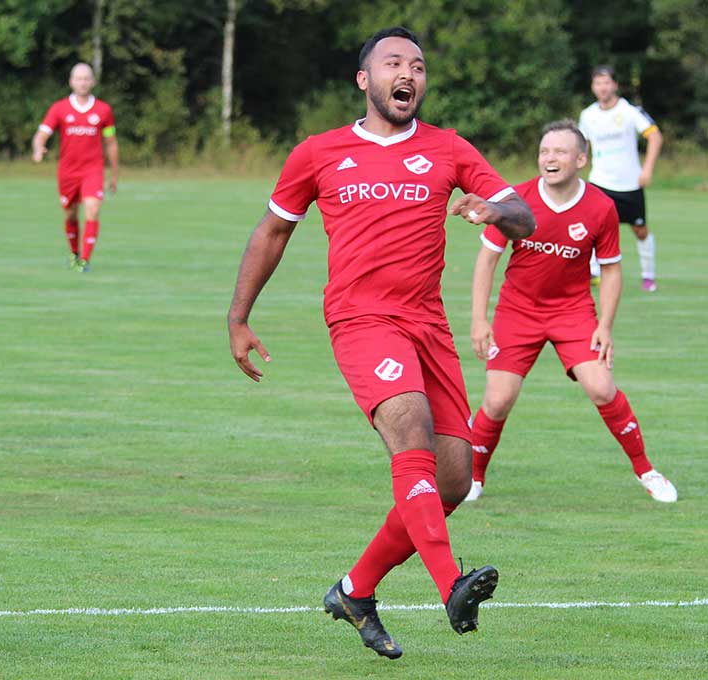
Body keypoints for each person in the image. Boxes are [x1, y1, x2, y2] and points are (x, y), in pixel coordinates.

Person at [227, 27, 535, 659]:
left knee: (452, 481)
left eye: (418, 66)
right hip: (361, 319)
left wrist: (492, 210)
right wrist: (239, 316)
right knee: (409, 426)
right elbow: (272, 232)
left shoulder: (449, 148)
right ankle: (451, 585)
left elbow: (524, 216)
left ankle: (354, 590)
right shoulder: (320, 152)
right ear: (364, 79)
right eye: (394, 63)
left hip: (429, 326)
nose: (409, 74)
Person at [464, 121, 677, 504]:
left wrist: (605, 326)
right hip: (517, 311)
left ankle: (647, 471)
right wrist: (479, 320)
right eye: (545, 151)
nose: (550, 158)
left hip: (573, 312)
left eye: (560, 151)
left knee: (601, 388)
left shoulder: (601, 207)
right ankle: (473, 478)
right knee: (497, 400)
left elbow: (611, 270)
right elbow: (486, 260)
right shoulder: (515, 201)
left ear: (581, 159)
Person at [579, 66, 663, 292]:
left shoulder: (630, 111)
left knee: (640, 230)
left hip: (629, 183)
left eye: (606, 82)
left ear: (615, 85)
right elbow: (582, 145)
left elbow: (655, 136)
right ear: (593, 87)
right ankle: (594, 272)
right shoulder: (588, 115)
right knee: (592, 226)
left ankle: (648, 275)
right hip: (600, 181)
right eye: (598, 83)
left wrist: (647, 169)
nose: (602, 88)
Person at [31, 62, 119, 273]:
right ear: (71, 82)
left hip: (93, 170)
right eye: (79, 79)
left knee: (93, 209)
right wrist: (38, 148)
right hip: (68, 172)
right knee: (70, 215)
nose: (83, 83)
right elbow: (42, 134)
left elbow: (110, 142)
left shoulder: (104, 110)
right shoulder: (59, 108)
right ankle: (74, 254)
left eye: (86, 78)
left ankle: (85, 261)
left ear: (93, 82)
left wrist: (114, 174)